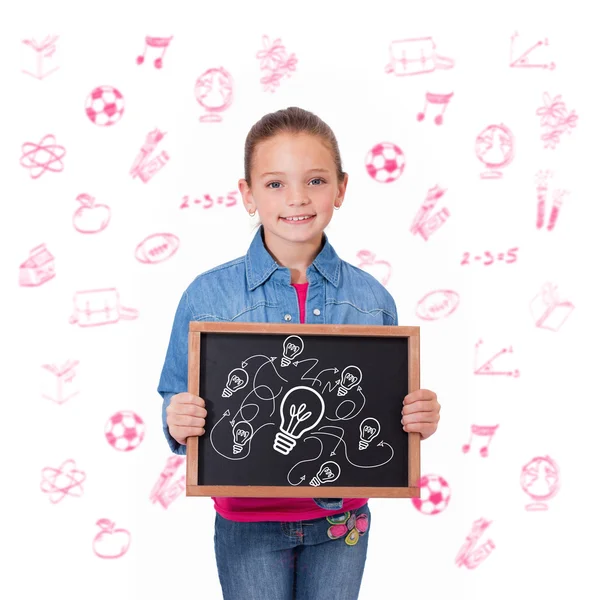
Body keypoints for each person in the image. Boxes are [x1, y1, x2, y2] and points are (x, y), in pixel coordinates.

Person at [157, 106, 441, 600]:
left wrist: (418, 418)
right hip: (247, 524)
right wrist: (176, 417)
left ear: (341, 188)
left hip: (341, 522)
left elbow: (385, 411)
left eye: (314, 180)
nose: (296, 198)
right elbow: (177, 397)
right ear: (246, 194)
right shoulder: (208, 297)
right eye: (274, 184)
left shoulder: (373, 300)